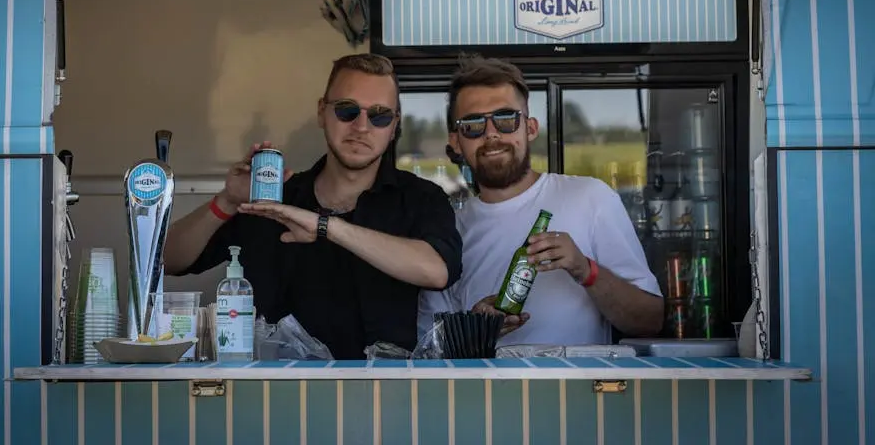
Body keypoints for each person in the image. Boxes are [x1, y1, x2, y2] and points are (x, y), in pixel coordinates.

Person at [164, 53, 463, 360]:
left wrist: (325, 227)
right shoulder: (272, 200)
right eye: (347, 110)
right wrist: (226, 201)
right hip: (276, 397)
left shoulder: (420, 198)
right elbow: (167, 260)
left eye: (380, 115)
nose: (362, 126)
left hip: (383, 396)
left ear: (394, 126)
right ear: (322, 112)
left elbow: (437, 270)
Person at [418, 55, 663, 346]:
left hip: (580, 391)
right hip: (483, 392)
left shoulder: (590, 198)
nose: (492, 134)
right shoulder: (447, 232)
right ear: (457, 141)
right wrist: (475, 328)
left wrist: (586, 269)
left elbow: (649, 321)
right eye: (473, 125)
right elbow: (426, 349)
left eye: (506, 119)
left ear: (530, 128)